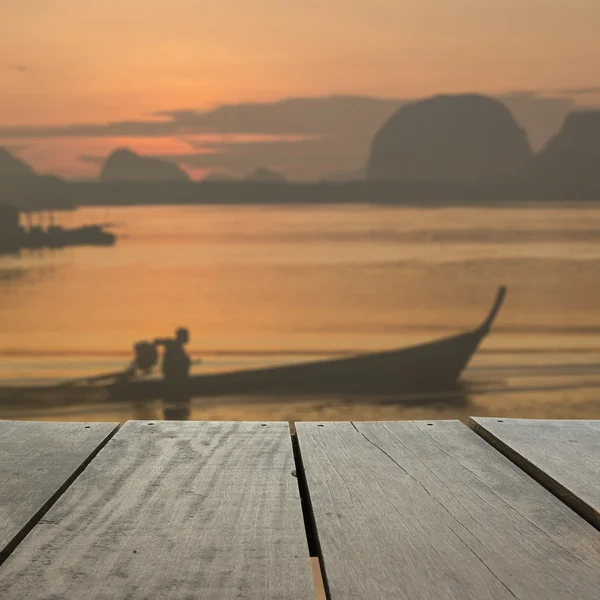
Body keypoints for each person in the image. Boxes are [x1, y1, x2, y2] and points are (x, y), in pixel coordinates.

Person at [154, 327, 192, 420]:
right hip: (175, 380)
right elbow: (157, 341)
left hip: (175, 379)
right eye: (186, 336)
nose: (188, 338)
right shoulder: (173, 345)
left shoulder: (175, 345)